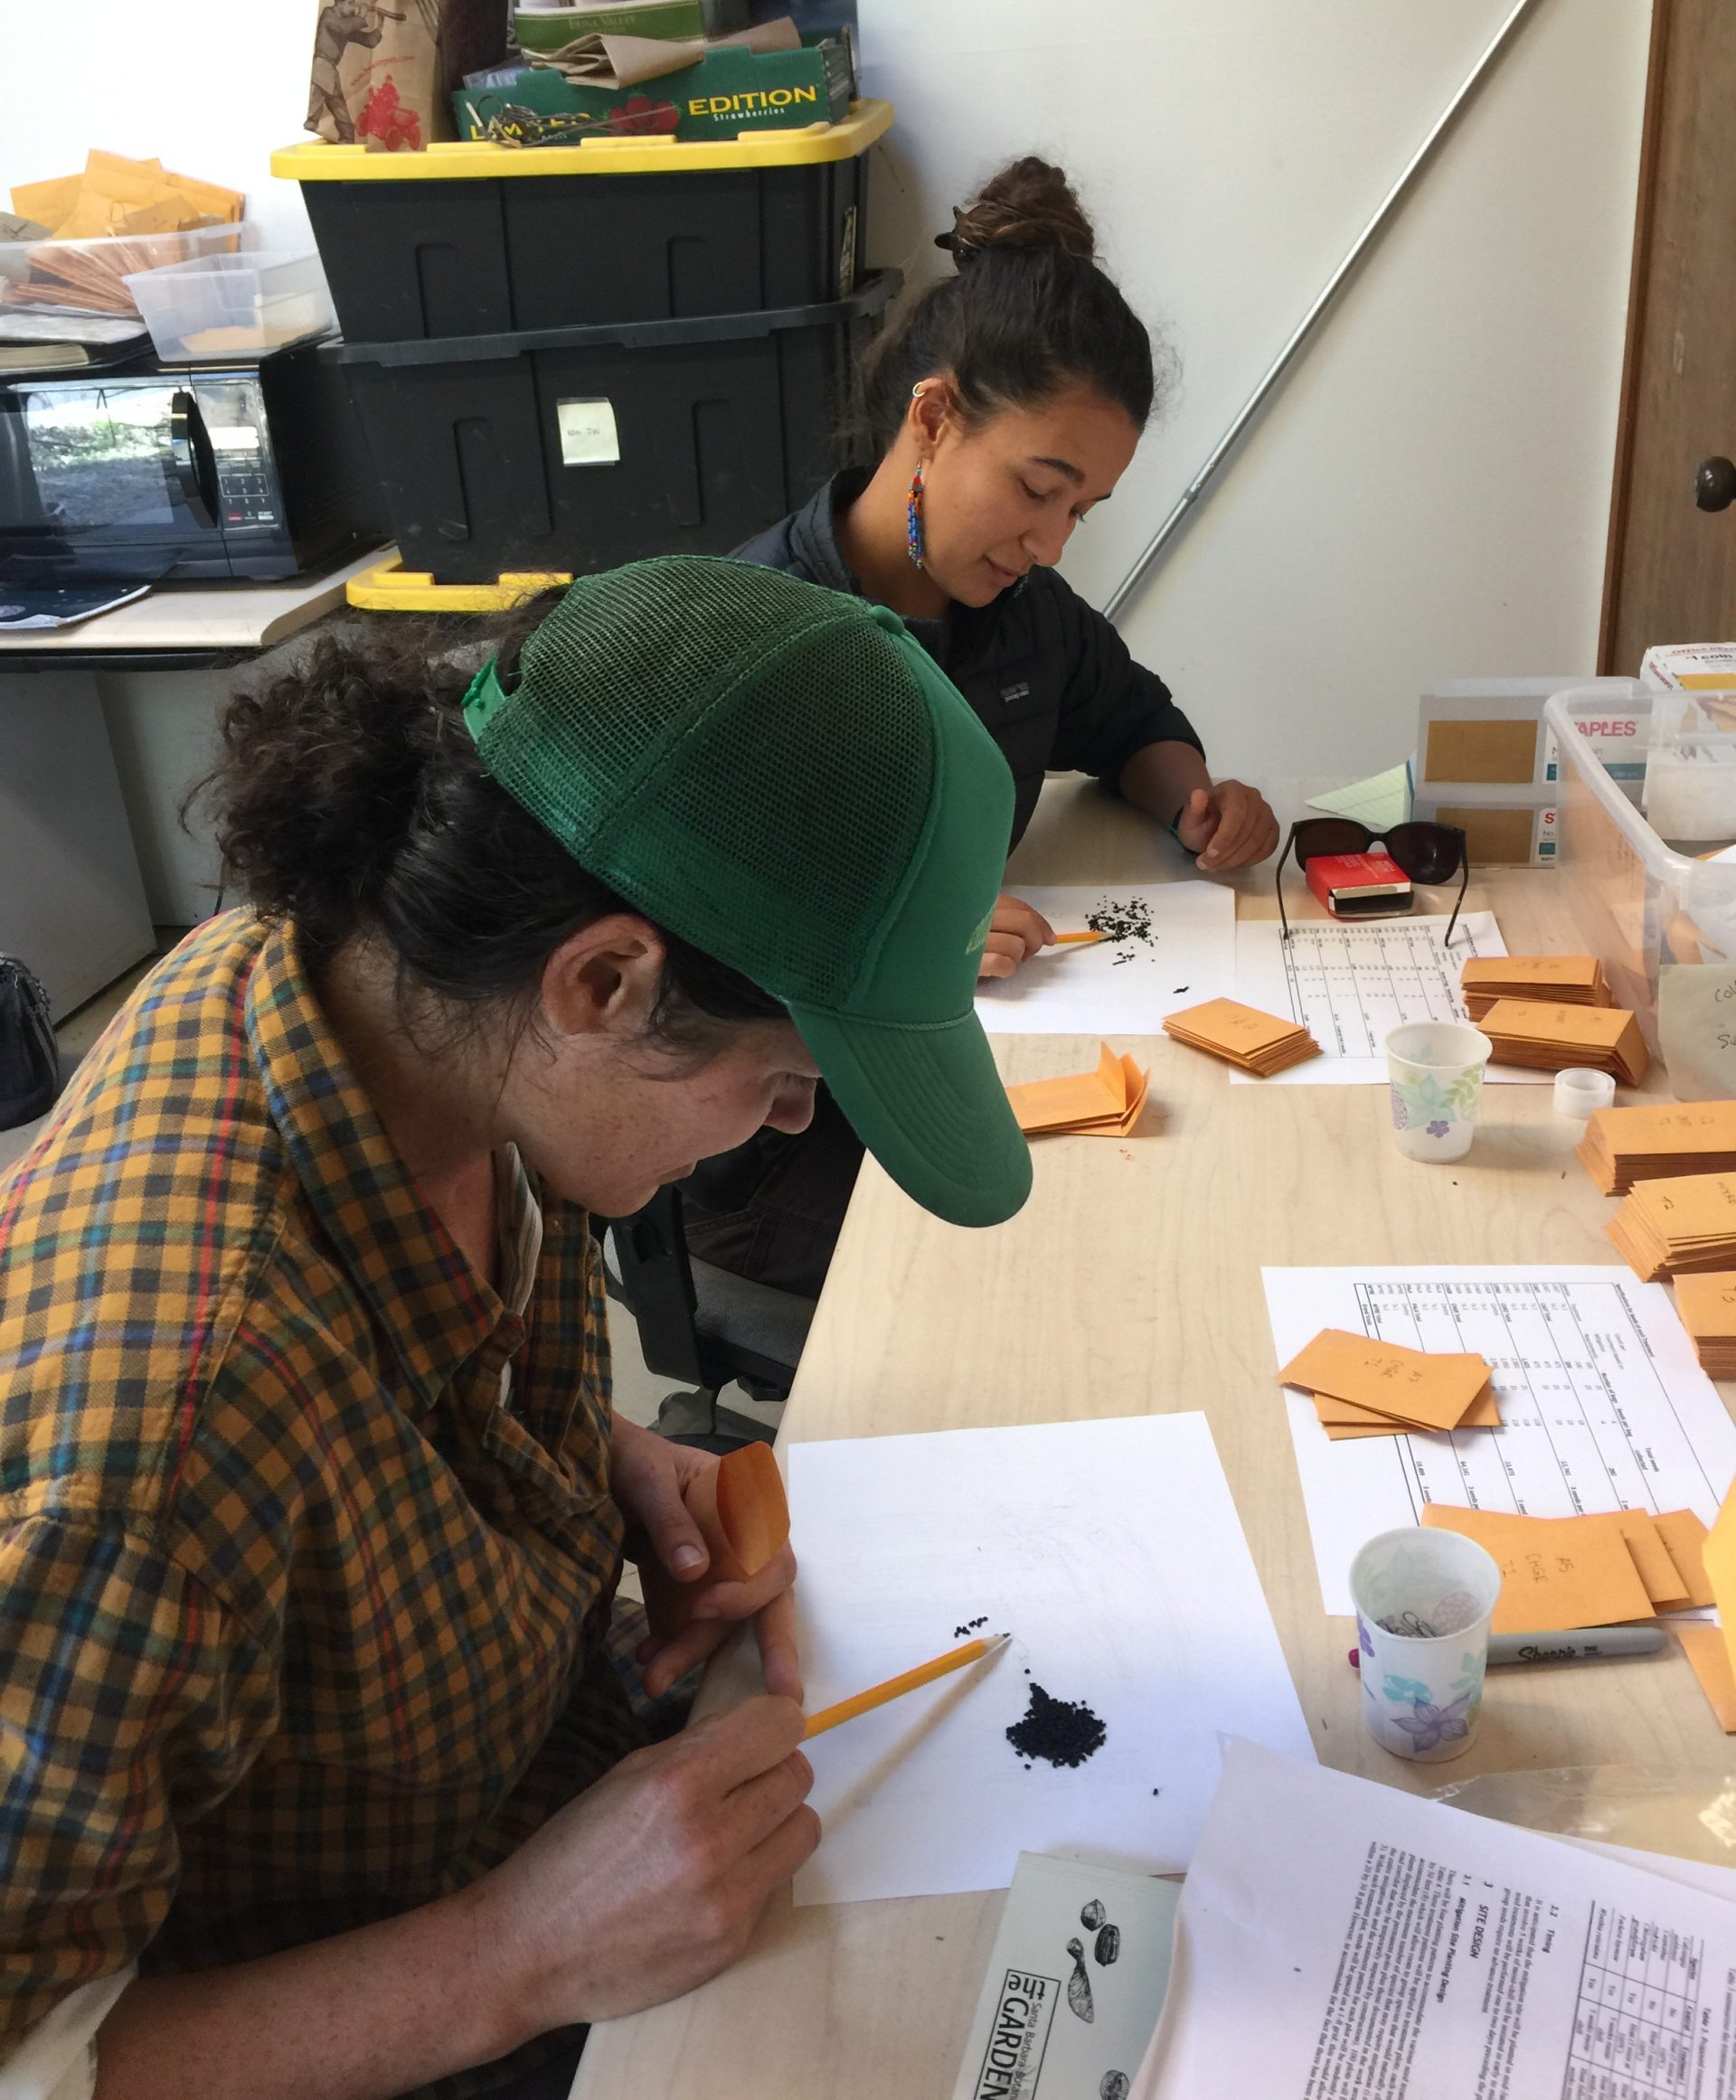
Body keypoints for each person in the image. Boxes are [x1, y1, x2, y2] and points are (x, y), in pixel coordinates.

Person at [0, 559, 1031, 2100]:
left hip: (551, 1771)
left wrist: (599, 1451)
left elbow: (384, 1385)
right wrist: (516, 1952)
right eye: (783, 1083)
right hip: (390, 1995)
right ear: (608, 981)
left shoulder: (393, 998)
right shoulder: (162, 1442)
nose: (780, 1126)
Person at [682, 156, 1278, 1296]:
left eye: (1083, 511)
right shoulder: (751, 636)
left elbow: (1132, 720)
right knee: (1093, 1278)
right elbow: (684, 944)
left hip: (970, 1066)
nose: (1051, 541)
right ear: (935, 416)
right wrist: (917, 941)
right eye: (1037, 488)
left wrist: (1192, 798)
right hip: (776, 1137)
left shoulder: (1021, 613)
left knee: (1191, 1194)